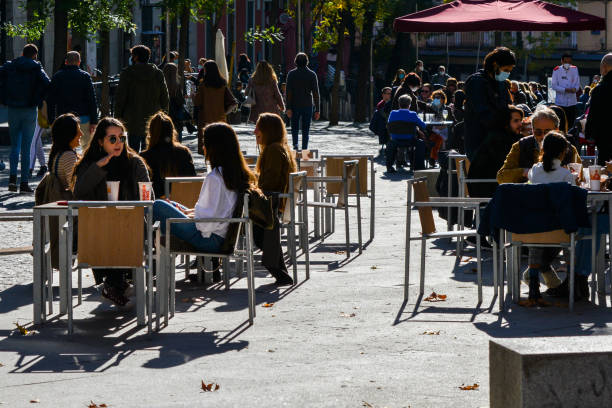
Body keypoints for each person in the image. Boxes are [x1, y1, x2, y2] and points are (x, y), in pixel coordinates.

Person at [152, 122, 258, 282]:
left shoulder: (215, 177)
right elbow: (215, 211)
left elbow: (204, 225)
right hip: (220, 234)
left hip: (209, 239)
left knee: (156, 206)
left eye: (205, 142)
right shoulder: (234, 174)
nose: (202, 147)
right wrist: (186, 212)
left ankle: (146, 263)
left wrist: (187, 217)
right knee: (171, 206)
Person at [72, 117, 151, 306]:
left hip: (130, 226)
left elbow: (148, 198)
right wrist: (97, 168)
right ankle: (116, 283)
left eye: (121, 138)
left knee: (120, 230)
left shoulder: (135, 164)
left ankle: (114, 283)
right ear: (100, 141)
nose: (118, 143)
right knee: (104, 230)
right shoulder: (89, 164)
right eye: (112, 139)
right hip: (97, 229)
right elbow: (78, 192)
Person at [523, 131, 575, 303]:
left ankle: (533, 284)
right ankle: (571, 282)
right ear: (563, 152)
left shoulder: (535, 171)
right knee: (572, 233)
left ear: (542, 149)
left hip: (535, 227)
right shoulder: (566, 176)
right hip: (560, 228)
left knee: (536, 245)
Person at [0, 43, 50, 192]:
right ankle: (24, 183)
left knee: (14, 146)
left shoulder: (11, 65)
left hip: (13, 109)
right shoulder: (36, 67)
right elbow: (47, 83)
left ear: (23, 53)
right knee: (26, 148)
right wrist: (38, 98)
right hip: (29, 110)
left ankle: (12, 180)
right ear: (35, 55)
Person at [253, 113, 296, 285]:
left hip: (269, 204)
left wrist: (252, 188)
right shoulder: (279, 148)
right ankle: (279, 270)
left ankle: (277, 269)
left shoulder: (273, 151)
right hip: (275, 203)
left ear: (268, 131)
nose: (255, 131)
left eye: (258, 128)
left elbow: (268, 184)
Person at [497, 107, 581, 184]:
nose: (543, 136)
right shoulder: (520, 146)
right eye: (538, 132)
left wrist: (568, 175)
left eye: (547, 132)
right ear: (532, 130)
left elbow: (581, 178)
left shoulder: (569, 149)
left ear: (557, 130)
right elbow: (501, 177)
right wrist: (526, 172)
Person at [114, 45, 170, 152]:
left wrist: (117, 117)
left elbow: (120, 98)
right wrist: (164, 116)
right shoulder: (157, 73)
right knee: (150, 153)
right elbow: (165, 97)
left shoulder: (127, 73)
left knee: (132, 153)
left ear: (135, 57)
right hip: (153, 121)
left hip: (131, 121)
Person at [464, 47, 515, 161]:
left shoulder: (501, 83)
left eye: (510, 70)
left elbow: (508, 107)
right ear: (495, 65)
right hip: (480, 143)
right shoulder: (476, 82)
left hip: (499, 142)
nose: (508, 73)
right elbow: (483, 113)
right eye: (506, 69)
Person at [467, 105, 523, 198]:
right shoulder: (498, 139)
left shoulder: (505, 136)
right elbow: (507, 166)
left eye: (521, 120)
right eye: (516, 121)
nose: (520, 124)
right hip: (486, 189)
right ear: (505, 122)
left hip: (493, 185)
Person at [46, 51, 98, 150]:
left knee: (64, 147)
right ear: (79, 62)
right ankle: (86, 165)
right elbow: (92, 99)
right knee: (87, 148)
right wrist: (94, 121)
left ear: (66, 62)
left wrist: (51, 120)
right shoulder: (85, 76)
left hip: (64, 118)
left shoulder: (58, 76)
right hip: (84, 118)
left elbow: (51, 100)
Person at [140, 111, 196, 198]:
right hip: (183, 206)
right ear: (171, 131)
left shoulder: (145, 157)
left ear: (151, 132)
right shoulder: (183, 153)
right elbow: (192, 182)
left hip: (156, 207)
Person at [193, 60, 238, 155]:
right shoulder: (222, 84)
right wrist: (224, 112)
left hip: (205, 119)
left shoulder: (203, 85)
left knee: (207, 147)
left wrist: (193, 95)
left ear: (206, 71)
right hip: (220, 119)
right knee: (220, 146)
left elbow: (197, 102)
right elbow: (233, 102)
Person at [286, 52, 320, 151]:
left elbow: (288, 92)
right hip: (307, 105)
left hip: (294, 104)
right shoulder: (312, 74)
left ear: (295, 62)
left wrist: (288, 107)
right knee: (306, 129)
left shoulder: (291, 74)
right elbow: (316, 93)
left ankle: (295, 146)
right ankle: (305, 149)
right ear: (307, 62)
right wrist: (317, 109)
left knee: (294, 127)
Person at [385, 94, 427, 173]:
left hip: (395, 139)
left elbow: (389, 125)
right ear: (409, 105)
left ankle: (390, 166)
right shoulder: (413, 114)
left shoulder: (392, 113)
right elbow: (423, 125)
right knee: (421, 143)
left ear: (399, 104)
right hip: (410, 140)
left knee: (392, 144)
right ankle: (418, 166)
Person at [585, 53, 612, 165]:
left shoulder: (599, 90)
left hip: (604, 136)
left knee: (604, 168)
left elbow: (593, 115)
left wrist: (589, 133)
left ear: (604, 69)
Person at [48, 113, 82, 190]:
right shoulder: (68, 156)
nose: (81, 134)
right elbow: (75, 187)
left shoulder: (60, 152)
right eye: (77, 131)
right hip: (68, 201)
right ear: (68, 135)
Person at [551, 53, 580, 129]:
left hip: (572, 102)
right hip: (560, 102)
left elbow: (577, 84)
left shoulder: (574, 69)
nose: (568, 64)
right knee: (561, 125)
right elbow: (554, 86)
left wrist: (575, 89)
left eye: (569, 62)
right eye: (566, 62)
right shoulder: (556, 70)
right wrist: (565, 90)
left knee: (571, 124)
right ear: (562, 61)